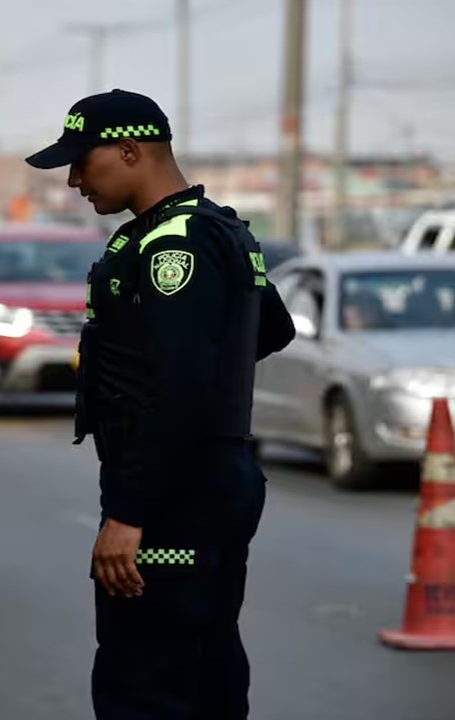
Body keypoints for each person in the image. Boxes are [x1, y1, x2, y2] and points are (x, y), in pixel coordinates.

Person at [24, 89, 295, 719]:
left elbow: (174, 390)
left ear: (129, 149)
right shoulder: (206, 227)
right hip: (203, 479)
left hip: (174, 495)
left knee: (143, 681)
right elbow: (268, 328)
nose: (72, 181)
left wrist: (128, 513)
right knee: (201, 666)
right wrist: (209, 371)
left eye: (80, 162)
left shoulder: (175, 247)